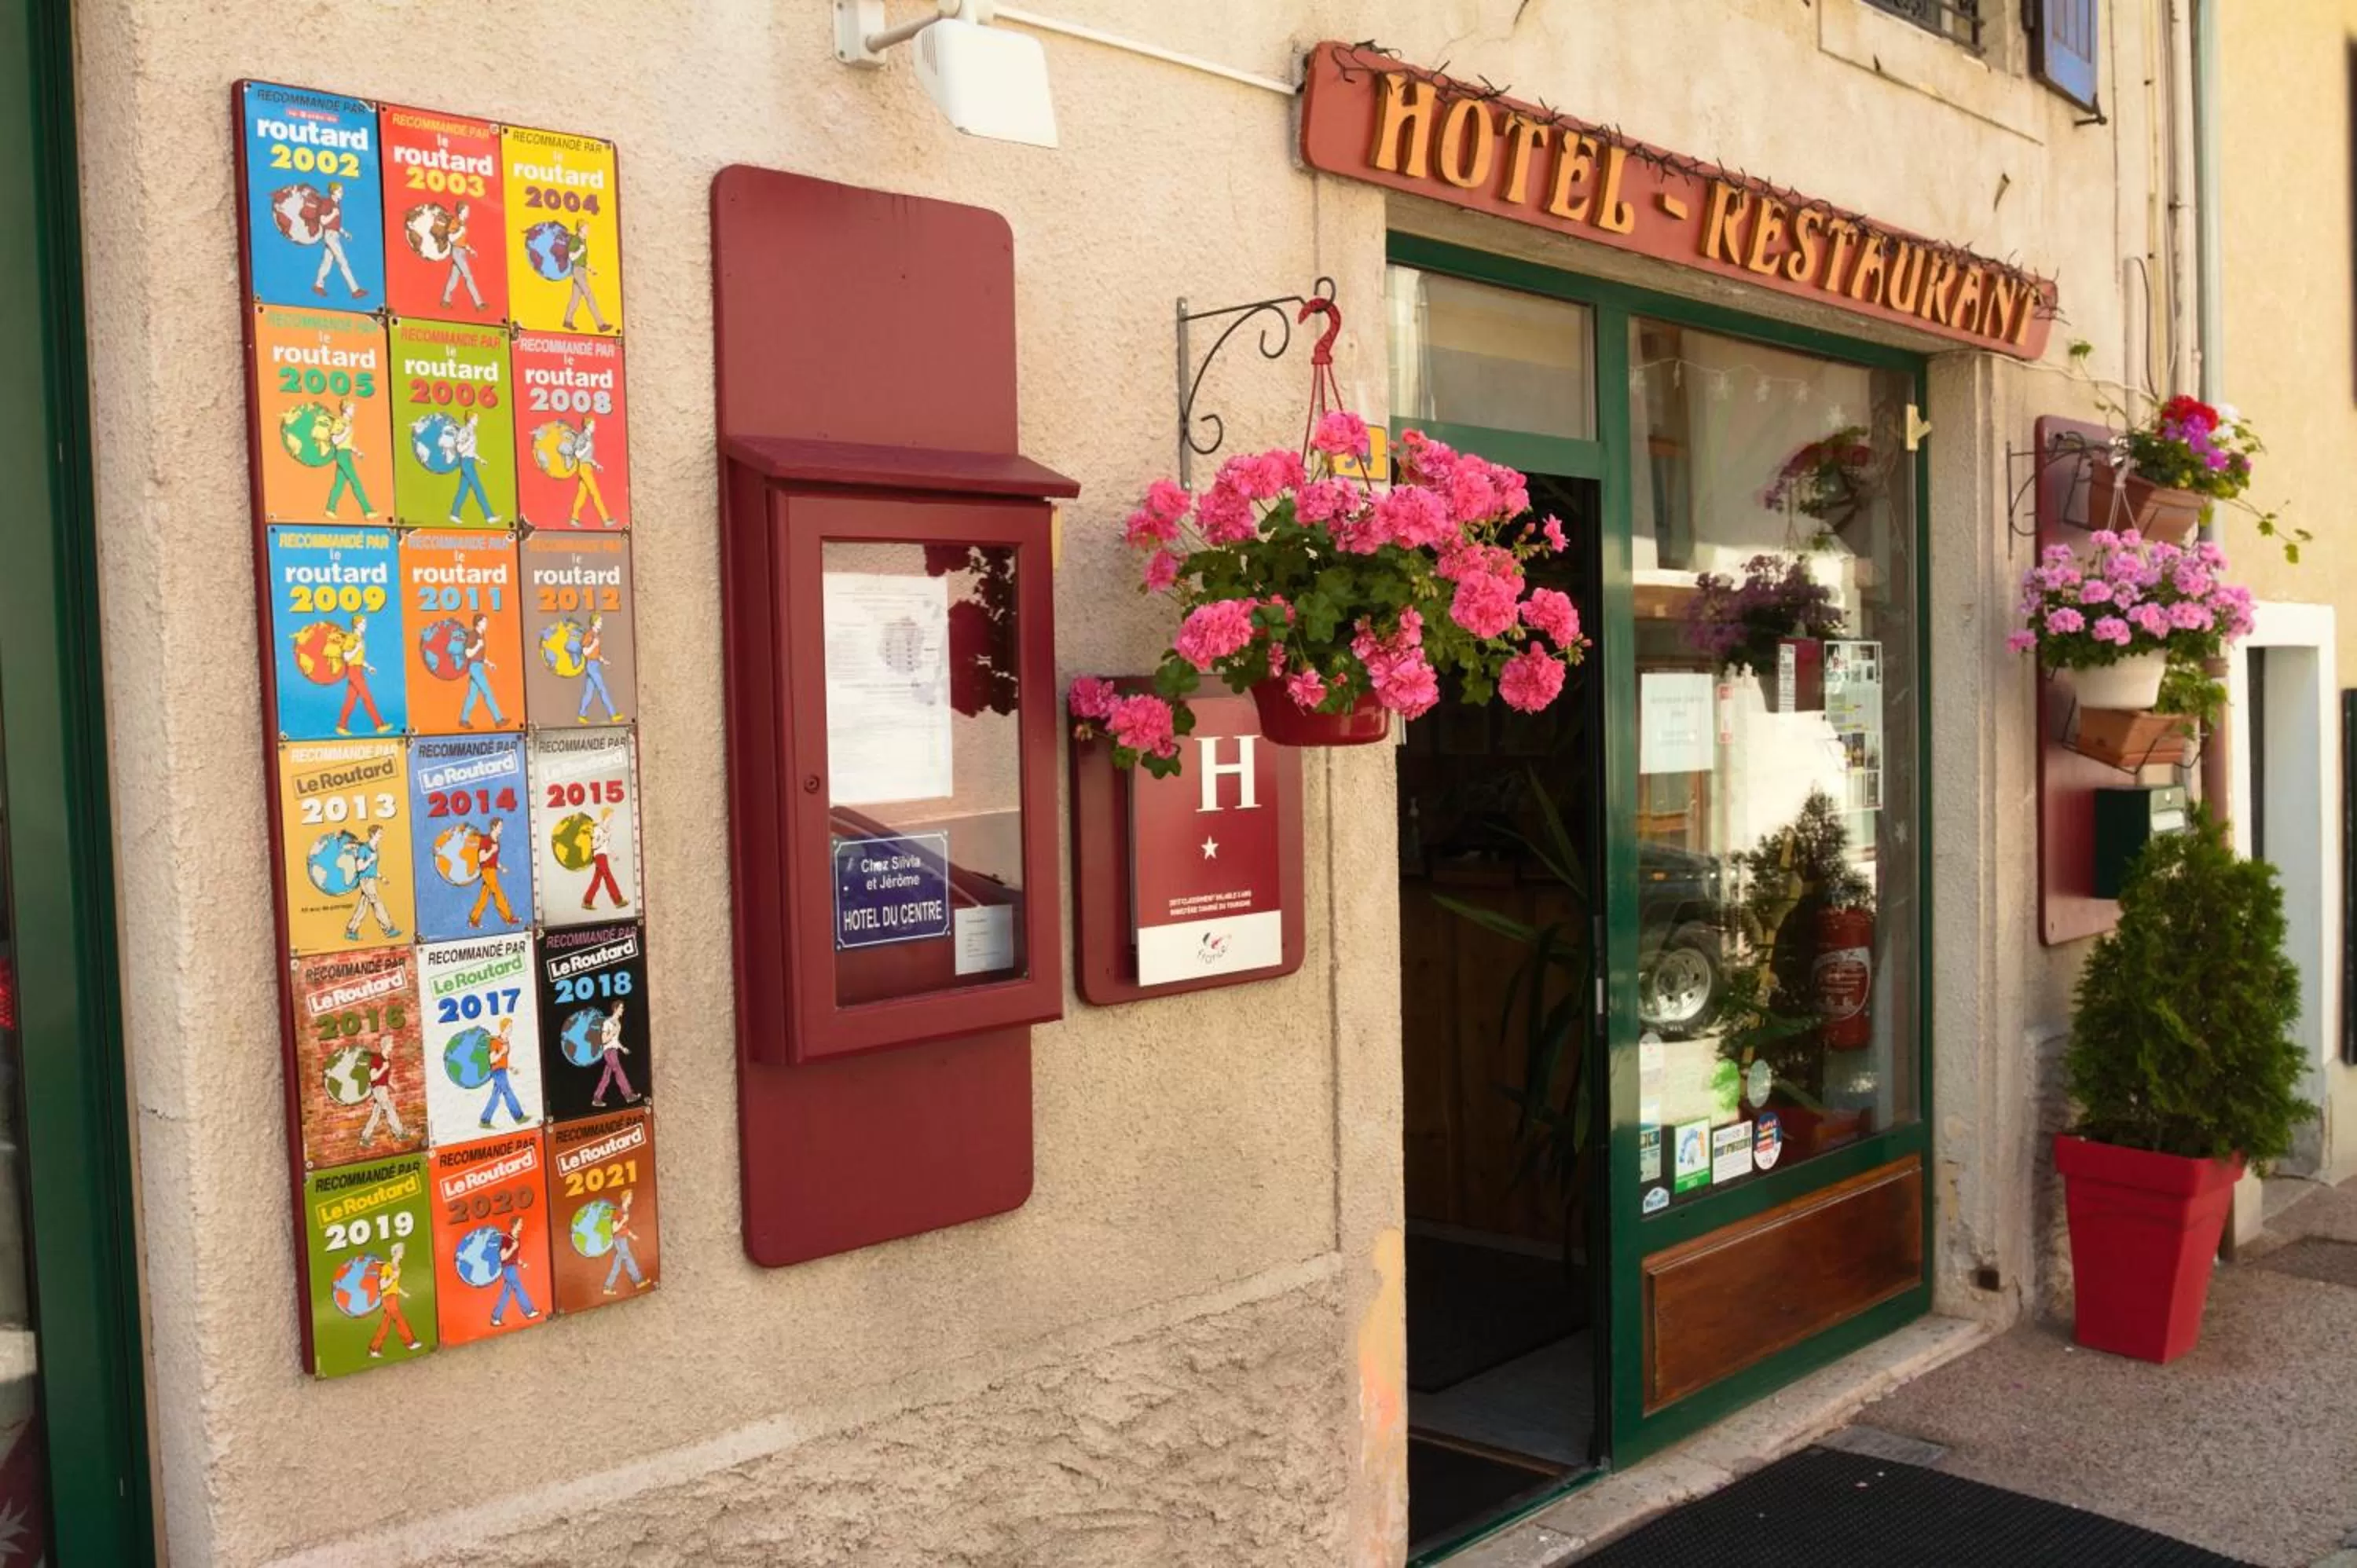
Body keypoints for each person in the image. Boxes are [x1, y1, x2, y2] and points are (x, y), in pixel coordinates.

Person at [332, 614, 390, 735]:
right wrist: (356, 648)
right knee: (367, 697)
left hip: (358, 670)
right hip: (353, 671)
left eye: (365, 623)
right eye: (363, 623)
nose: (365, 626)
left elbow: (358, 659)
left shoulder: (360, 639)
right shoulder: (351, 638)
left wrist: (369, 667)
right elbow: (346, 657)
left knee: (350, 700)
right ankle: (379, 725)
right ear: (356, 625)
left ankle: (341, 726)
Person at [343, 824, 401, 943]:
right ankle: (389, 929)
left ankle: (351, 931)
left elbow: (372, 868)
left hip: (371, 879)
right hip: (366, 880)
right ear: (373, 834)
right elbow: (359, 868)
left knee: (363, 906)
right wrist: (370, 860)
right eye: (379, 833)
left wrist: (381, 877)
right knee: (377, 902)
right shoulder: (364, 849)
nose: (381, 835)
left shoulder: (375, 848)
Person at [310, 181, 366, 301]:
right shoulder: (327, 203)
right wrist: (333, 214)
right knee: (343, 262)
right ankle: (355, 290)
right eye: (340, 191)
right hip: (330, 235)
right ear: (333, 192)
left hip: (334, 234)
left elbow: (335, 224)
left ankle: (318, 285)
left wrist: (345, 233)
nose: (342, 193)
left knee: (327, 262)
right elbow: (323, 221)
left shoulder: (337, 204)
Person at [444, 412, 499, 526]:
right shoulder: (464, 431)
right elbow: (460, 449)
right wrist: (470, 442)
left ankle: (454, 514)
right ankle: (489, 516)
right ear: (470, 419)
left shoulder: (472, 432)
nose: (478, 420)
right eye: (476, 418)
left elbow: (471, 451)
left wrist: (480, 460)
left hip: (470, 461)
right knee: (478, 488)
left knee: (463, 490)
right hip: (466, 463)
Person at [323, 400, 375, 520]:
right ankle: (368, 511)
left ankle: (330, 509)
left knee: (339, 484)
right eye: (352, 408)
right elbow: (334, 440)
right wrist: (346, 432)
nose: (354, 411)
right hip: (342, 455)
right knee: (355, 482)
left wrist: (357, 452)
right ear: (345, 409)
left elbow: (347, 443)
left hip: (346, 454)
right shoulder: (340, 422)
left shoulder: (348, 423)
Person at [487, 1214, 540, 1328]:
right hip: (508, 1269)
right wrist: (513, 1248)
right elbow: (503, 1257)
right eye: (520, 1223)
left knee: (506, 1293)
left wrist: (522, 1264)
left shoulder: (516, 1239)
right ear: (515, 1224)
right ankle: (529, 1311)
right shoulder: (506, 1239)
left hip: (512, 1267)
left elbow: (515, 1256)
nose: (522, 1225)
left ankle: (495, 1317)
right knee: (518, 1287)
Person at [562, 218, 610, 333]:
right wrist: (579, 250)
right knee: (589, 295)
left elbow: (583, 260)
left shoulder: (583, 241)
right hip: (578, 271)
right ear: (580, 229)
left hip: (582, 270)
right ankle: (601, 324)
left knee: (575, 298)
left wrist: (590, 269)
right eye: (586, 228)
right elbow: (571, 257)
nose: (588, 230)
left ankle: (567, 321)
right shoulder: (575, 240)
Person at [467, 815, 515, 929]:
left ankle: (473, 920)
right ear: (494, 827)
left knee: (484, 896)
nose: (502, 828)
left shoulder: (496, 842)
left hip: (492, 870)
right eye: (500, 826)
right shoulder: (486, 840)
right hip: (487, 870)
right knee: (498, 892)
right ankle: (509, 918)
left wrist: (501, 868)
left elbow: (494, 860)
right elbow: (481, 858)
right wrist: (492, 851)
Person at [456, 614, 504, 729]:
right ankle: (498, 720)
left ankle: (463, 720)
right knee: (487, 692)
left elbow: (480, 656)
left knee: (472, 695)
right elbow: (468, 654)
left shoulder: (481, 635)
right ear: (478, 623)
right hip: (475, 667)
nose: (486, 624)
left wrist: (489, 664)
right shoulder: (472, 635)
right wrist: (478, 645)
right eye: (484, 622)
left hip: (479, 666)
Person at [477, 1015, 523, 1127]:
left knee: (496, 1095)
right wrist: (502, 1051)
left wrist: (511, 1068)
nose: (511, 1029)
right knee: (507, 1091)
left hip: (503, 1069)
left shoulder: (506, 1042)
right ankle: (518, 1116)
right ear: (503, 1028)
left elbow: (504, 1059)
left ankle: (485, 1120)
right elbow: (492, 1060)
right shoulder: (495, 1042)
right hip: (497, 1070)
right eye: (509, 1027)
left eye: (511, 1027)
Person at [589, 998, 637, 1108]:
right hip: (609, 1052)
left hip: (614, 1050)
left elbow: (616, 1040)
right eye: (621, 1008)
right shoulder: (607, 1023)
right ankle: (629, 1095)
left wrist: (623, 1048)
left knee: (606, 1076)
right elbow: (603, 1040)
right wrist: (612, 1032)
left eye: (623, 1008)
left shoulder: (618, 1024)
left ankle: (596, 1098)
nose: (623, 1010)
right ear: (615, 1009)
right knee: (618, 1071)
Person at [357, 1045, 406, 1148]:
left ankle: (365, 1138)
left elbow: (384, 1078)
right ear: (385, 1045)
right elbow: (373, 1077)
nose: (392, 1046)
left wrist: (392, 1085)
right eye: (390, 1044)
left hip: (383, 1088)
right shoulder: (377, 1060)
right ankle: (400, 1133)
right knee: (390, 1109)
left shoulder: (387, 1060)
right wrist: (383, 1068)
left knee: (376, 1114)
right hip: (379, 1089)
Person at [576, 612, 621, 723]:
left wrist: (603, 660)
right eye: (600, 621)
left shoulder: (596, 635)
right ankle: (613, 714)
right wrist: (593, 645)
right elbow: (585, 652)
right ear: (594, 622)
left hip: (595, 664)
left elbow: (596, 653)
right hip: (591, 665)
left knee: (589, 692)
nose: (601, 623)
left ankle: (582, 714)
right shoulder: (589, 635)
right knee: (602, 689)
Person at [603, 1187, 650, 1295]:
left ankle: (637, 1281)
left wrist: (632, 1235)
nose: (631, 1199)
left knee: (625, 1261)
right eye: (630, 1197)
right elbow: (614, 1229)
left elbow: (624, 1228)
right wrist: (623, 1220)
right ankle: (636, 1281)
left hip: (623, 1239)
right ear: (625, 1198)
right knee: (623, 1262)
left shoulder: (625, 1211)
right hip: (619, 1240)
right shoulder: (618, 1212)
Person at [440, 200, 484, 312]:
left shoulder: (463, 224)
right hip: (457, 252)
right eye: (467, 210)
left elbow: (461, 241)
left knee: (454, 278)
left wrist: (470, 249)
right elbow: (451, 239)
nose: (468, 212)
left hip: (462, 251)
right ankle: (479, 304)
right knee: (468, 276)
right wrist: (460, 231)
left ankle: (445, 300)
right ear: (462, 211)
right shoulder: (455, 222)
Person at [569, 417, 614, 526]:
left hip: (587, 467)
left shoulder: (589, 438)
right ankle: (606, 519)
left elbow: (587, 457)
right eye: (592, 425)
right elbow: (577, 455)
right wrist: (586, 448)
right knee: (595, 493)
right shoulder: (582, 438)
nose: (594, 427)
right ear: (587, 426)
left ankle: (574, 518)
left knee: (581, 495)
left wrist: (596, 465)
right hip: (584, 468)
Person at [582, 807, 626, 911]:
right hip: (599, 856)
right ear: (605, 816)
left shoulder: (608, 830)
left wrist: (612, 855)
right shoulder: (598, 829)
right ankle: (618, 900)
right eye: (610, 816)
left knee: (597, 879)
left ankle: (587, 901)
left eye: (612, 817)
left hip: (603, 856)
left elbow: (605, 846)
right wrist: (604, 838)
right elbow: (594, 845)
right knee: (608, 876)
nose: (612, 818)